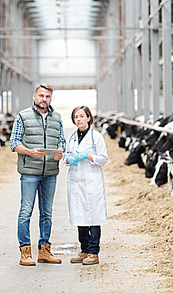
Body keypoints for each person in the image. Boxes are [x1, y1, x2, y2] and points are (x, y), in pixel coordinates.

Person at [10, 83, 66, 266]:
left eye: (48, 96)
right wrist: (28, 151)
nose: (44, 99)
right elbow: (14, 143)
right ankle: (25, 251)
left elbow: (61, 140)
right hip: (30, 172)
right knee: (26, 211)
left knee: (47, 212)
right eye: (41, 95)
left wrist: (60, 151)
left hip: (50, 171)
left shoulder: (57, 117)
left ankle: (44, 250)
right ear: (34, 96)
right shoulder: (22, 116)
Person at [64, 105, 108, 265]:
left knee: (93, 216)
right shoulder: (71, 137)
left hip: (92, 181)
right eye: (76, 117)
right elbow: (65, 157)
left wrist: (88, 156)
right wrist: (68, 159)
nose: (79, 119)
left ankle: (93, 252)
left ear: (89, 118)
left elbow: (103, 158)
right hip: (75, 182)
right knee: (80, 215)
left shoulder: (96, 137)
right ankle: (84, 250)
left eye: (82, 116)